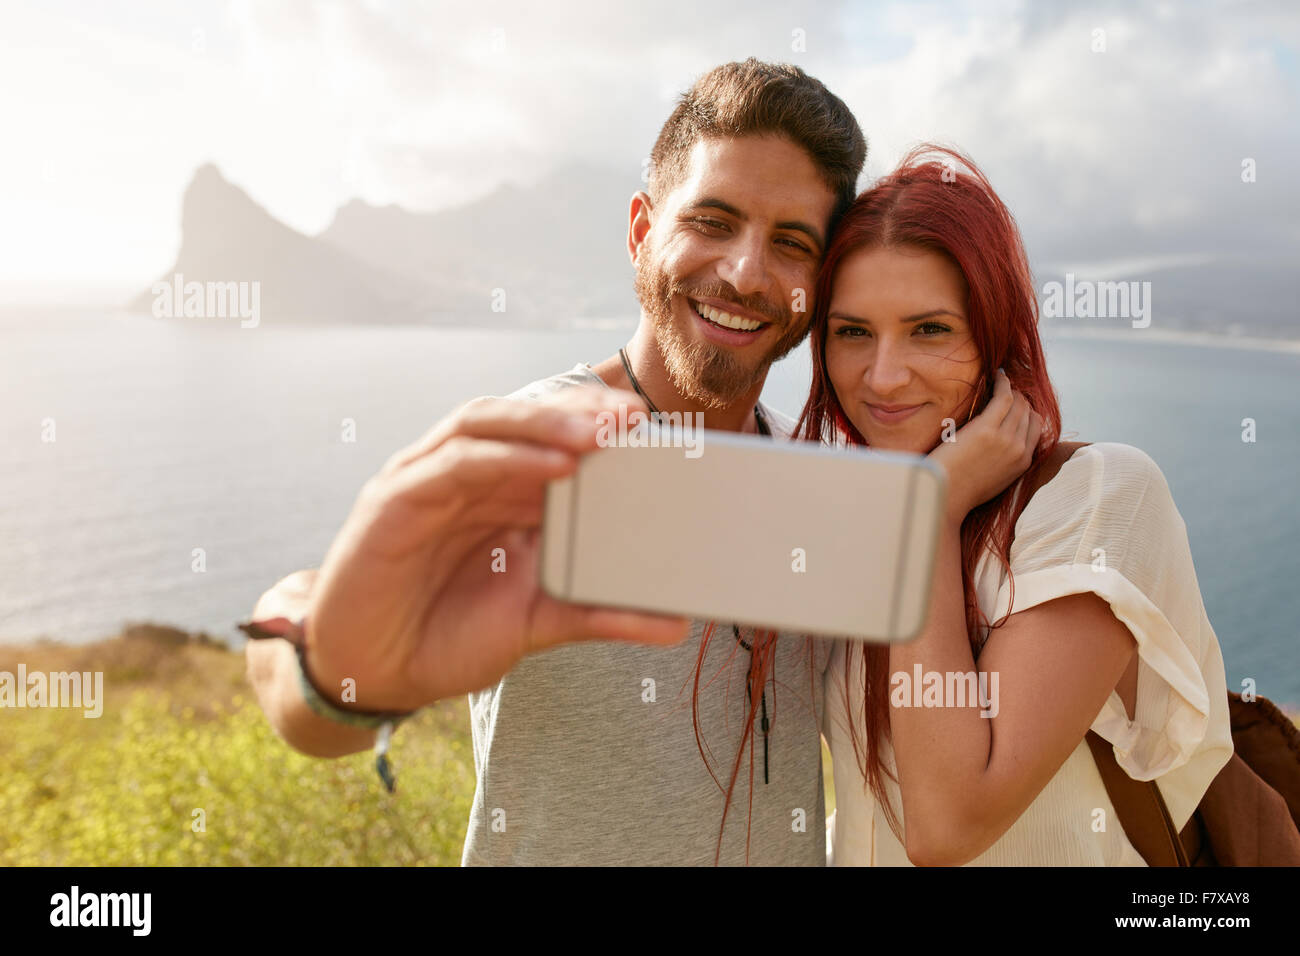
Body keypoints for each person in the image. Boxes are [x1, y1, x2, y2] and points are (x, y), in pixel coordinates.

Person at [243, 58, 875, 866]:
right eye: (712, 223)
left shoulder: (819, 484)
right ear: (643, 230)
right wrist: (335, 666)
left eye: (791, 244)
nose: (746, 271)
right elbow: (303, 662)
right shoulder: (538, 442)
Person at [803, 145, 1235, 866]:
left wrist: (932, 513)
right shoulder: (852, 513)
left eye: (929, 330)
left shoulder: (1099, 499)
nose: (881, 376)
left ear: (996, 333)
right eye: (852, 332)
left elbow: (947, 825)